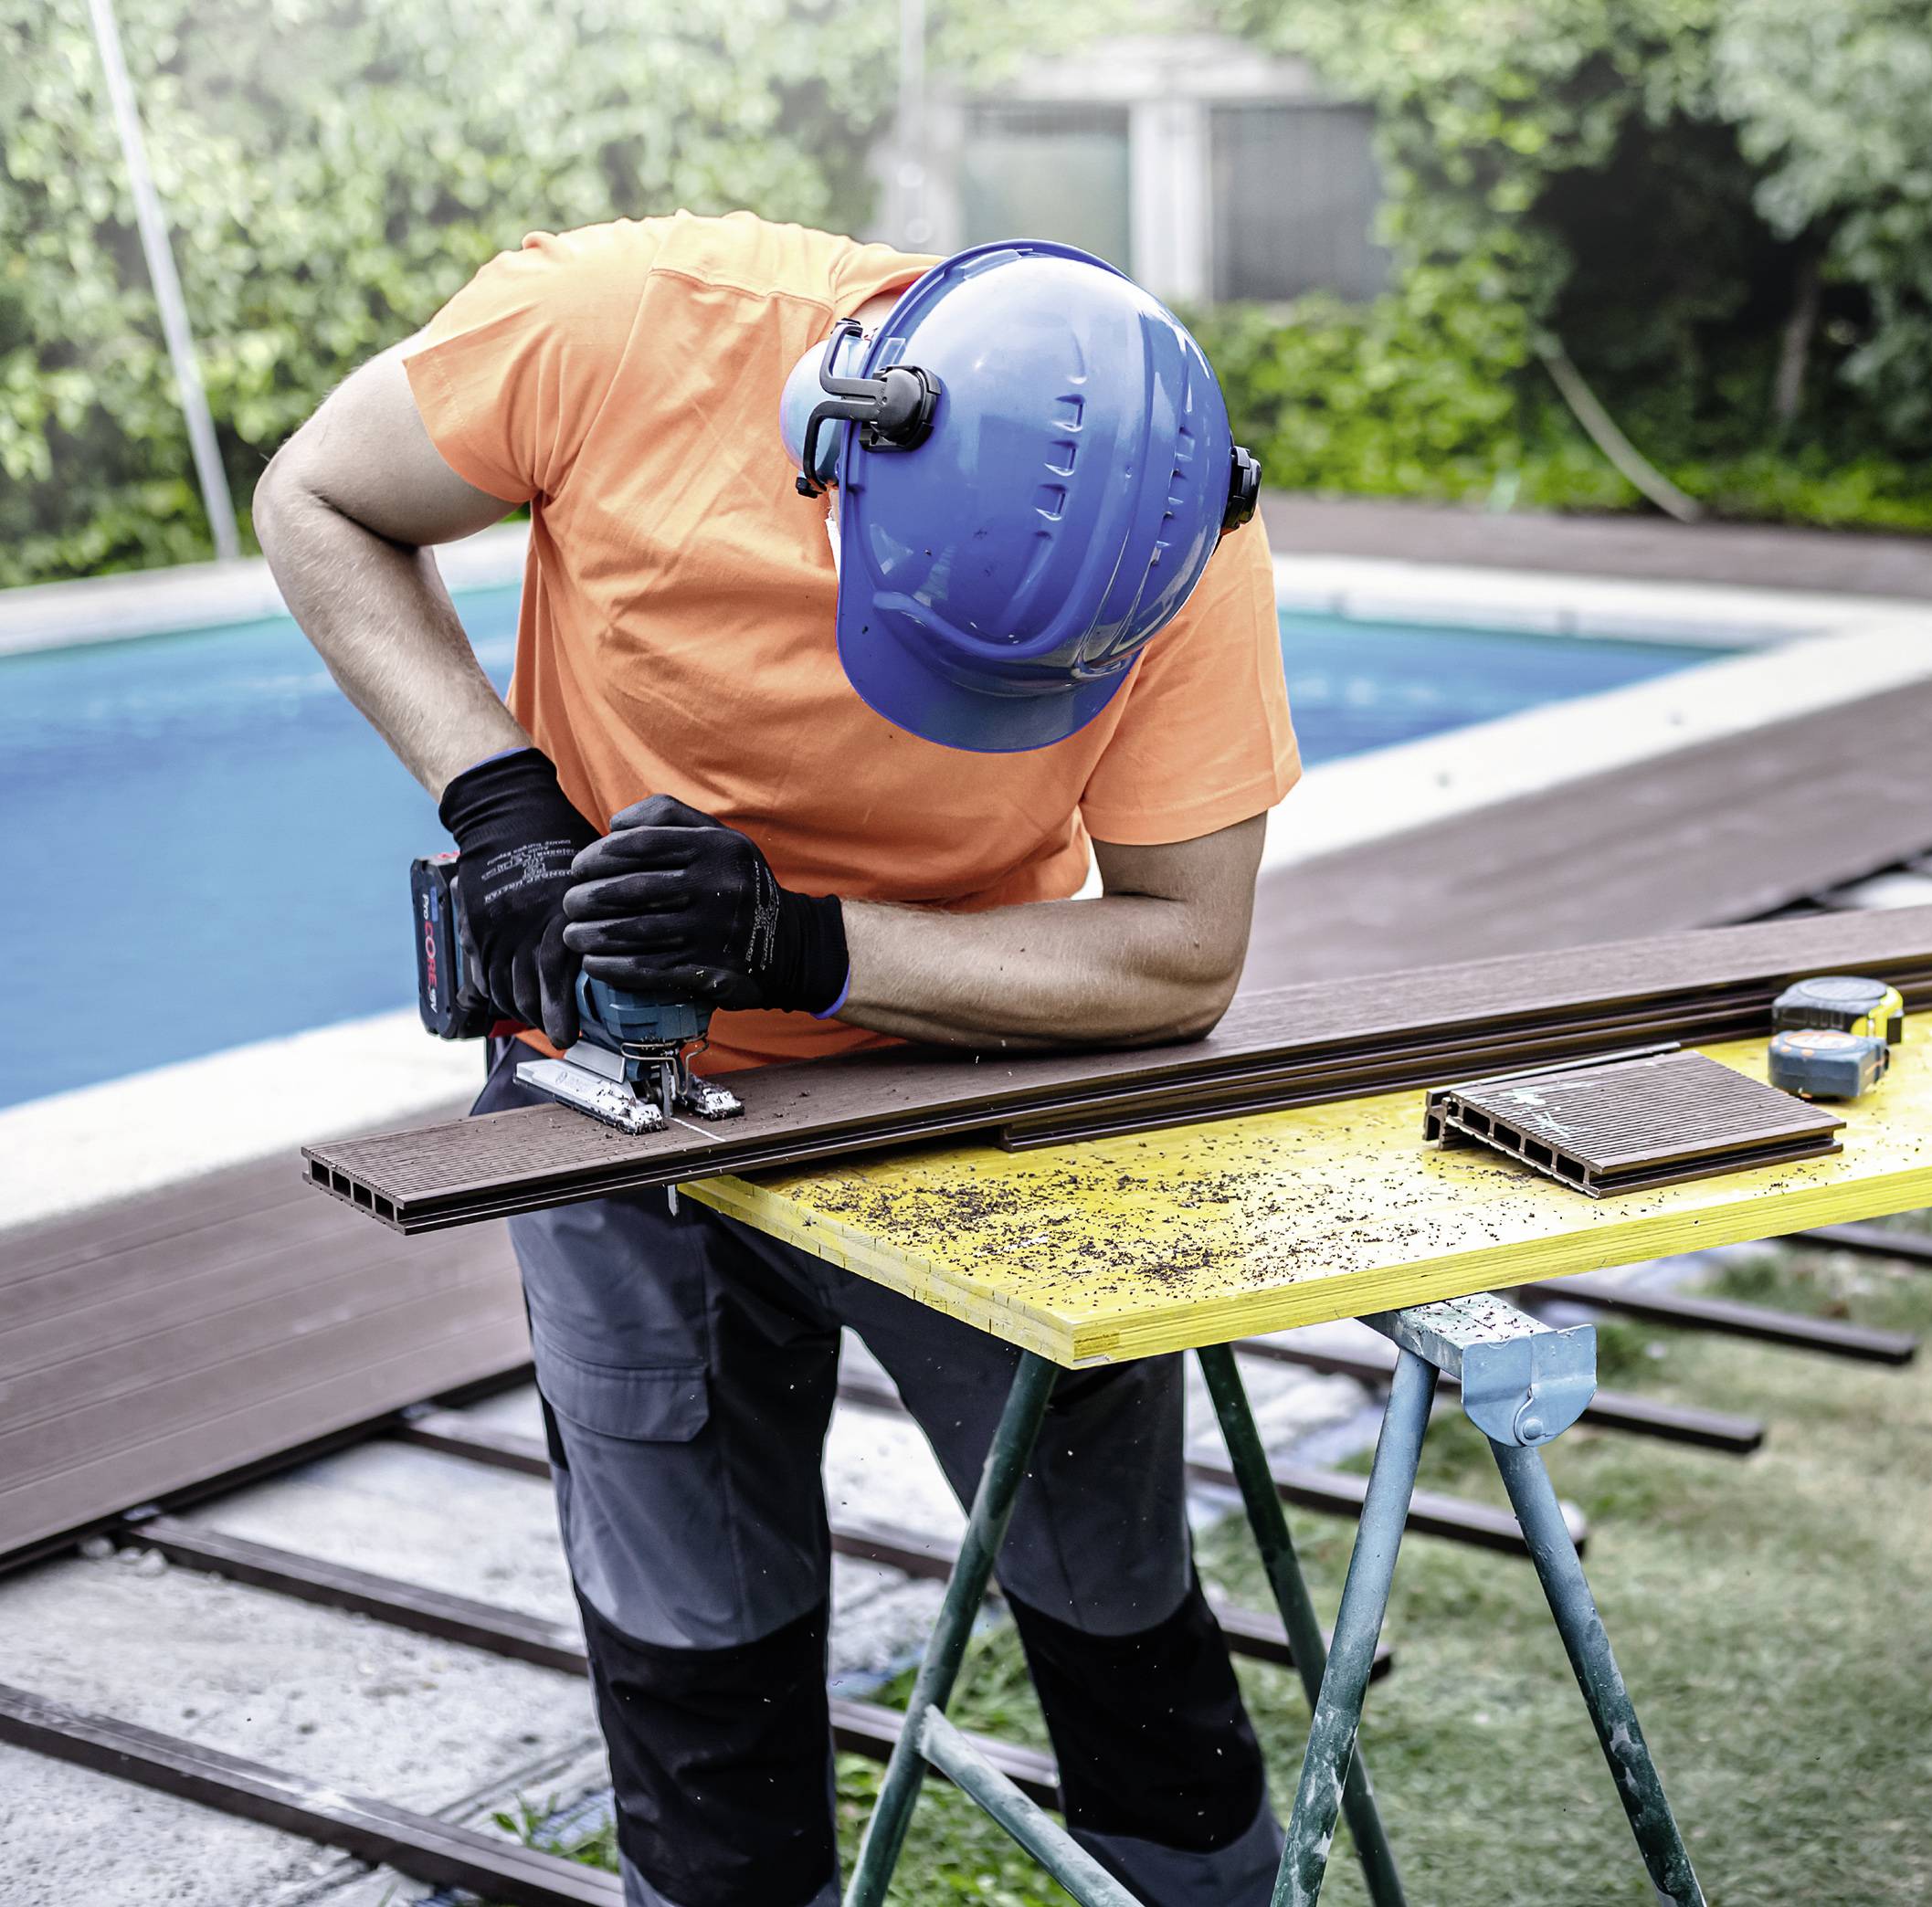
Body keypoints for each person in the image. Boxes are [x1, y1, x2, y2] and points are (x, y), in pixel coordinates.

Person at [254, 213, 1294, 1907]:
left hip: (963, 1088)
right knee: (698, 1670)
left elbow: (1180, 953)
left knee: (1118, 1617)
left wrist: (809, 943)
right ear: (834, 449)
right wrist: (501, 805)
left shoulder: (1166, 526)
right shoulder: (616, 328)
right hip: (613, 1104)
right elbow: (316, 494)